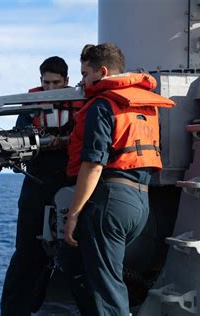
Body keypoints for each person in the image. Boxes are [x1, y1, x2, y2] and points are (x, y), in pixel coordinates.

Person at [62, 43, 175, 315]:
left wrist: (74, 214)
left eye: (86, 74)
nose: (83, 81)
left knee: (108, 289)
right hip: (140, 202)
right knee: (74, 263)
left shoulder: (103, 104)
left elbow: (93, 164)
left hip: (110, 201)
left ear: (101, 71)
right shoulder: (146, 105)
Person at [1, 56, 82, 315]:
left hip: (70, 185)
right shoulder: (31, 107)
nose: (49, 88)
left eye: (55, 82)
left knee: (73, 251)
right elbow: (17, 140)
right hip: (37, 184)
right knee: (27, 252)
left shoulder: (81, 104)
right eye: (45, 82)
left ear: (67, 81)